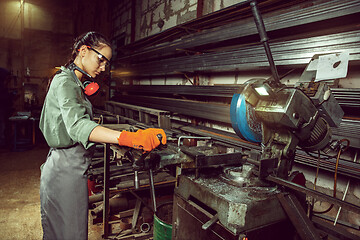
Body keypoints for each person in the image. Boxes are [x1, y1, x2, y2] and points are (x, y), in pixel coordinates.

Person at [39, 31, 166, 240]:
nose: (104, 67)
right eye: (101, 60)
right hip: (64, 171)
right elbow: (77, 126)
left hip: (69, 167)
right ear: (83, 51)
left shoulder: (75, 82)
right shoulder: (65, 82)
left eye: (107, 63)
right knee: (70, 235)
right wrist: (128, 138)